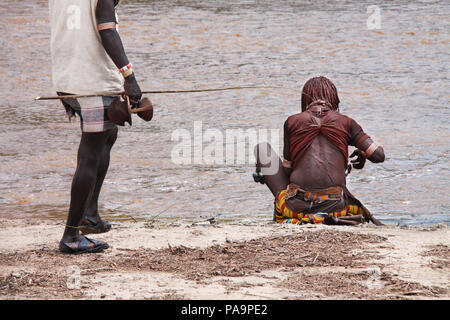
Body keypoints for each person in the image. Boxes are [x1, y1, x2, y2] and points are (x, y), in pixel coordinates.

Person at [48, 0, 142, 253]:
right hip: (92, 82)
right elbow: (107, 30)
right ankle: (71, 235)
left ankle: (89, 214)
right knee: (89, 155)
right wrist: (129, 77)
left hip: (67, 78)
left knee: (107, 136)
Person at [254, 76, 385, 226]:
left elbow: (288, 171)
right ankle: (325, 217)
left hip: (296, 208)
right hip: (337, 208)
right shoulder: (347, 122)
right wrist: (362, 153)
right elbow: (379, 155)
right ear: (334, 100)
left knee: (262, 149)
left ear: (305, 100)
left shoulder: (292, 122)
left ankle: (285, 218)